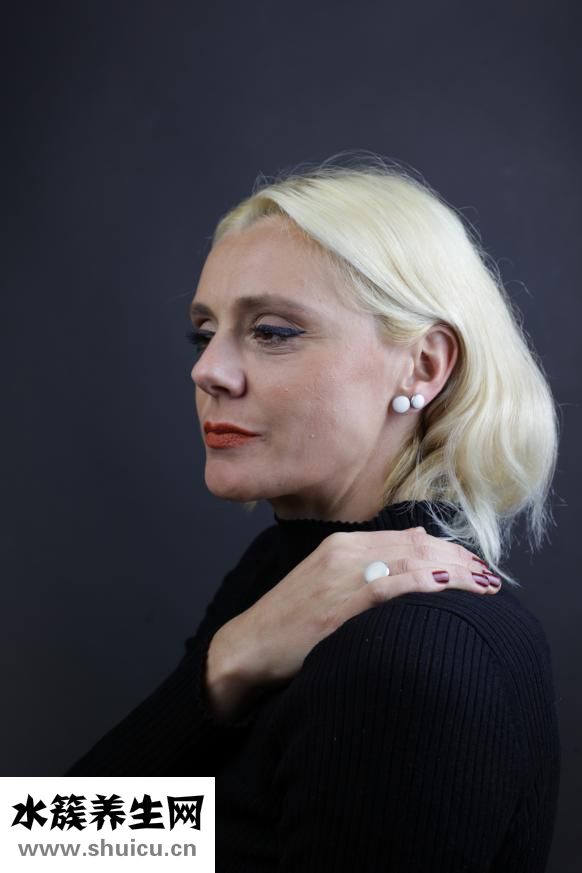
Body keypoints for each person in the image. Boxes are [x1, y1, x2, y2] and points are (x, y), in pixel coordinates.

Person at [66, 156, 561, 872]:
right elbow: (57, 843)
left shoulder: (417, 651)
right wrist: (227, 661)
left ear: (422, 366)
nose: (207, 371)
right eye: (205, 333)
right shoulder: (278, 584)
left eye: (272, 331)